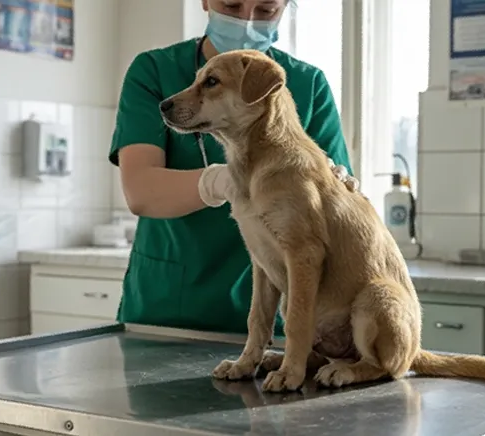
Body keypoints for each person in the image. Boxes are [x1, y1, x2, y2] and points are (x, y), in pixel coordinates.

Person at [109, 0, 359, 336]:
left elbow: (331, 207)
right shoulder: (156, 70)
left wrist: (339, 188)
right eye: (232, 5)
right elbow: (141, 191)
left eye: (266, 10)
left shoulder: (306, 84)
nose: (247, 21)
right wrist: (221, 181)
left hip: (280, 317)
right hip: (172, 310)